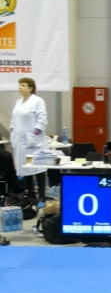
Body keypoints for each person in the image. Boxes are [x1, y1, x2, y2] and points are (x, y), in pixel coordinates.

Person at [10, 77, 48, 207]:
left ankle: (42, 196)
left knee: (38, 169)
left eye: (23, 85)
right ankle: (29, 195)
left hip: (34, 143)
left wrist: (34, 135)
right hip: (20, 143)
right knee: (25, 168)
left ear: (30, 88)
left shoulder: (38, 101)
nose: (20, 87)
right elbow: (13, 120)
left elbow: (42, 120)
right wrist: (12, 132)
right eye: (19, 85)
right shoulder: (18, 102)